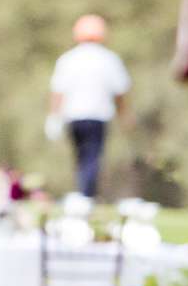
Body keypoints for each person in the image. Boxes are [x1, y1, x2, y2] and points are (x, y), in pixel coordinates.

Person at [48, 13, 131, 199]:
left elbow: (58, 92)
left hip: (74, 116)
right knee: (92, 157)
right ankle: (86, 195)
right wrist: (124, 116)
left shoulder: (68, 59)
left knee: (81, 157)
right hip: (97, 117)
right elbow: (119, 93)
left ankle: (84, 193)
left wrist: (53, 117)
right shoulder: (109, 59)